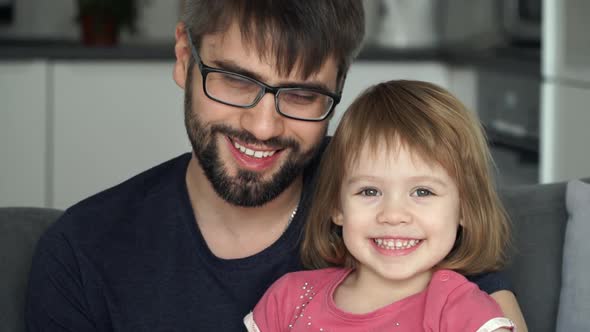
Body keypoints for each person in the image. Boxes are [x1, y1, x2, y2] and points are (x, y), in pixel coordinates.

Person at [25, 1, 527, 331]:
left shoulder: (393, 192)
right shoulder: (82, 253)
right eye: (236, 80)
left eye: (303, 94)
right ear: (185, 57)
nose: (263, 127)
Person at [244, 80, 517, 331]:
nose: (393, 215)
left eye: (422, 191)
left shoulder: (465, 315)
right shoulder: (289, 299)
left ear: (465, 208)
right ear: (337, 207)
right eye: (369, 190)